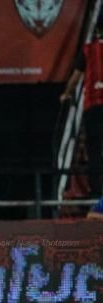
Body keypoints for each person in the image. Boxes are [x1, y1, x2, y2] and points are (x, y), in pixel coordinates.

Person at [61, 24, 103, 198]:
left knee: (94, 149)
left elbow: (76, 77)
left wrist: (66, 93)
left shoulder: (88, 50)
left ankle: (96, 191)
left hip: (93, 105)